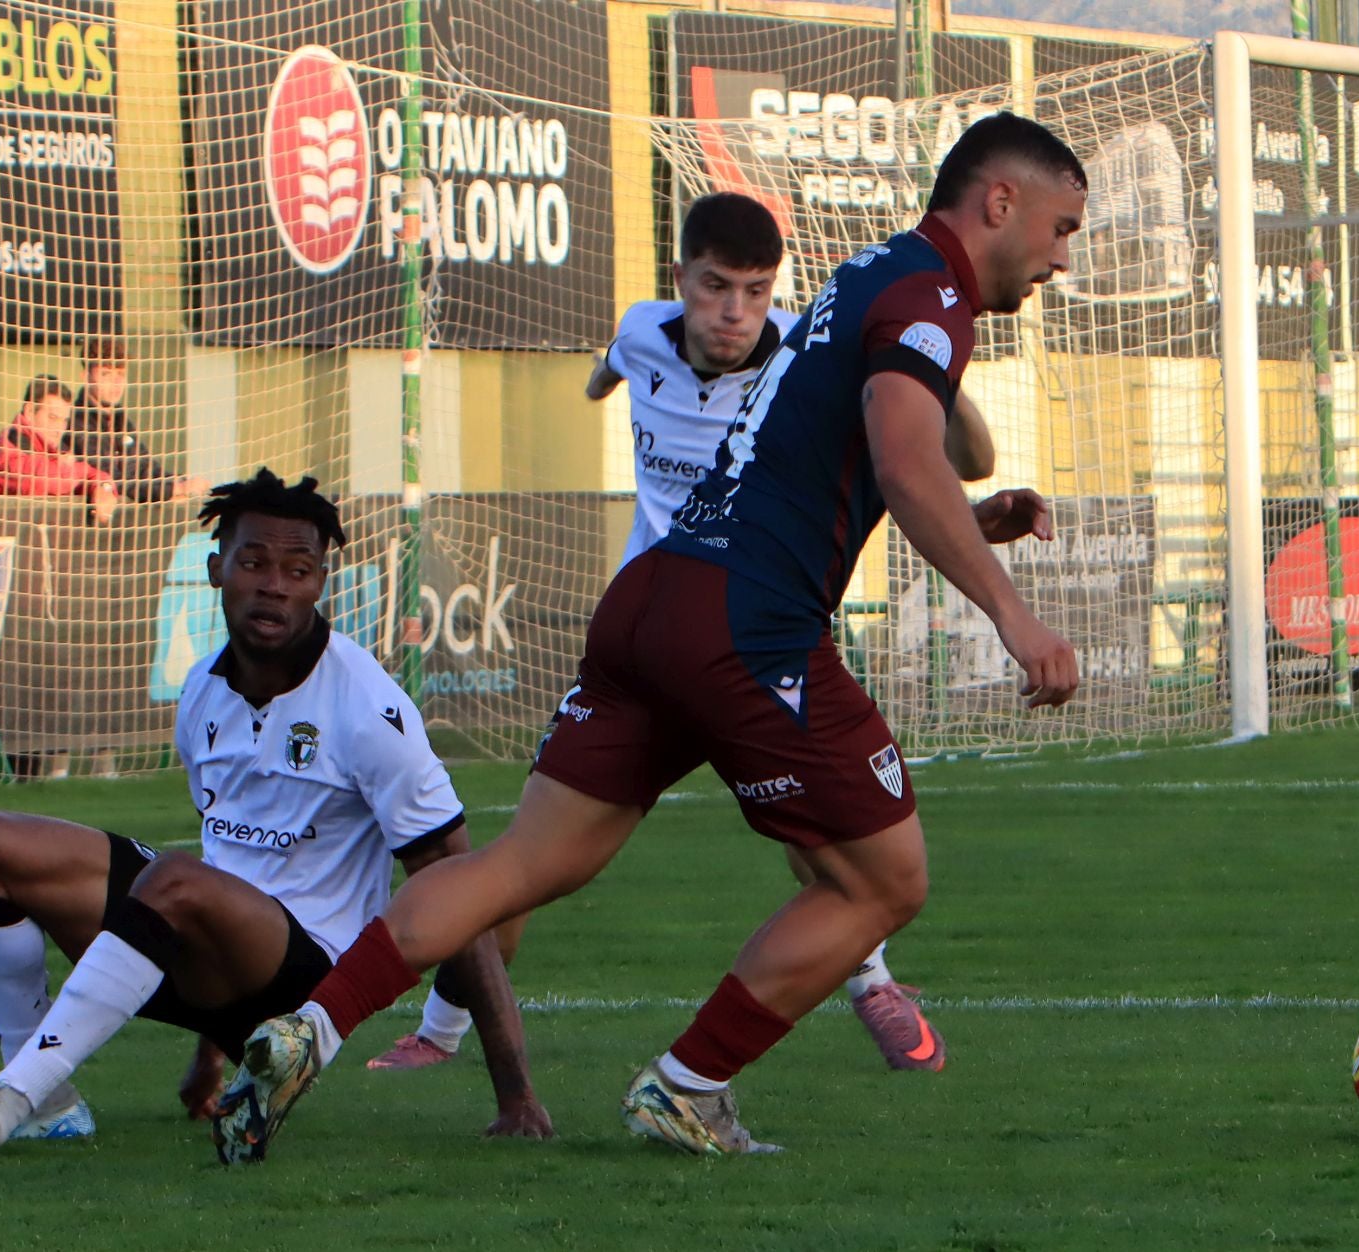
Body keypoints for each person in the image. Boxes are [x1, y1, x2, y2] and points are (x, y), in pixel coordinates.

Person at [210, 111, 1085, 1164]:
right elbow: (905, 458)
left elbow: (841, 460)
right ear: (1001, 201)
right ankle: (688, 1085)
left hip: (650, 597)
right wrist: (1014, 612)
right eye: (1061, 226)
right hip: (746, 626)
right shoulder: (930, 295)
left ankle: (307, 1025)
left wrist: (966, 516)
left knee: (525, 859)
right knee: (884, 881)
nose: (1061, 257)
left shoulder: (872, 271)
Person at [368, 191, 995, 1078]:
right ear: (680, 283)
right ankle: (440, 1029)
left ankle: (872, 981)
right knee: (534, 852)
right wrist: (601, 381)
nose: (735, 312)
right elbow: (613, 363)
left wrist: (935, 360)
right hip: (649, 632)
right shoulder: (638, 332)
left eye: (755, 290)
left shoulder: (810, 355)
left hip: (758, 625)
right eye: (714, 289)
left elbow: (952, 454)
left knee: (815, 833)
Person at [0, 469, 552, 1164]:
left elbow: (460, 890)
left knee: (176, 878)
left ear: (320, 584)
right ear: (216, 571)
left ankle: (5, 1103)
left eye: (298, 570)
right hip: (208, 959)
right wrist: (208, 1058)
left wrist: (516, 1095)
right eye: (254, 563)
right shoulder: (201, 694)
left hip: (304, 983)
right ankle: (49, 1105)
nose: (275, 584)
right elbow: (232, 865)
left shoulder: (369, 708)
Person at [67, 338, 209, 503]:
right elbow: (115, 483)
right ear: (85, 377)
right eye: (106, 374)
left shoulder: (121, 420)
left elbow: (146, 468)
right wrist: (173, 489)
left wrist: (180, 481)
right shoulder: (77, 423)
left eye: (121, 374)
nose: (116, 382)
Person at [0, 375, 121, 526]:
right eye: (52, 418)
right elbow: (46, 480)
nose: (59, 429)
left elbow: (92, 474)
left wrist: (103, 488)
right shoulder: (9, 446)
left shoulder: (50, 448)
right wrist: (68, 468)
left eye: (64, 421)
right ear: (29, 411)